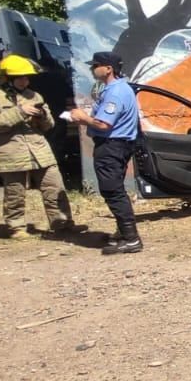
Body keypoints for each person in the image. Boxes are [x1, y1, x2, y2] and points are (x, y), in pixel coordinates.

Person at [0, 55, 75, 239]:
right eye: (20, 77)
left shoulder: (34, 95)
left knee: (54, 186)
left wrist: (42, 115)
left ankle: (62, 224)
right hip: (10, 151)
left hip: (40, 150)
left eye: (26, 77)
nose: (25, 81)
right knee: (15, 191)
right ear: (6, 78)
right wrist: (20, 111)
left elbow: (49, 126)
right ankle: (16, 227)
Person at [70, 51, 143, 255]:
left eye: (96, 66)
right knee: (115, 188)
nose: (93, 69)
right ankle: (123, 232)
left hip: (112, 145)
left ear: (108, 68)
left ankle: (131, 239)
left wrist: (82, 117)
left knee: (112, 191)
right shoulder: (115, 89)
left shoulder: (115, 92)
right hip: (116, 145)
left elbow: (103, 123)